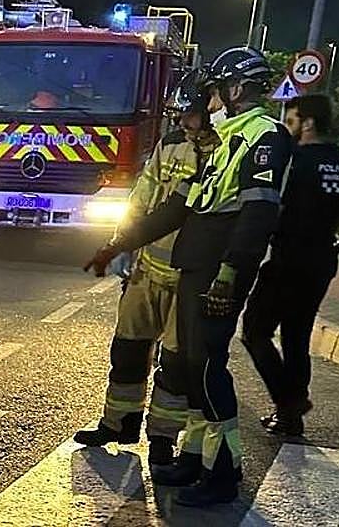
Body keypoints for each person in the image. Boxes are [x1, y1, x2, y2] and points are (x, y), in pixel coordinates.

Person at [84, 46, 291, 507]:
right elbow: (180, 206)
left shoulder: (264, 138)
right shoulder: (228, 140)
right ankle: (198, 460)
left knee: (206, 371)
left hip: (216, 272)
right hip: (196, 267)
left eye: (216, 93)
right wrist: (119, 243)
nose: (209, 103)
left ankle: (224, 471)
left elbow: (256, 217)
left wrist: (229, 274)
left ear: (236, 90)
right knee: (198, 370)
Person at [75, 71, 220, 468]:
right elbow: (142, 197)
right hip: (147, 269)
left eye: (188, 114)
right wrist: (124, 242)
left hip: (187, 278)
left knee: (174, 363)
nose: (181, 122)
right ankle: (118, 423)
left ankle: (162, 437)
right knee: (127, 348)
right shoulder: (171, 144)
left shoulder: (222, 152)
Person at [241, 94, 339, 437]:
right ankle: (290, 417)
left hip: (289, 258)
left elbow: (275, 204)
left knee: (255, 330)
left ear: (308, 122)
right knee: (297, 335)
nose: (289, 125)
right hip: (323, 259)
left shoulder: (295, 159)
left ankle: (289, 400)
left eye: (293, 118)